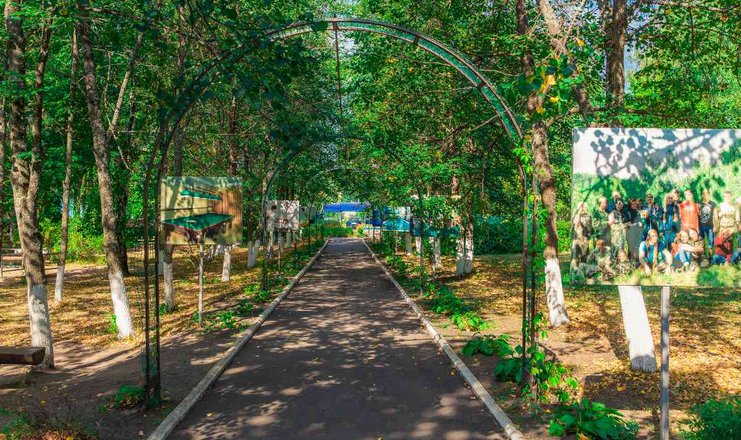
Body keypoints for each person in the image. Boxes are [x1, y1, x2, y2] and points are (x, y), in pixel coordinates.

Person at [698, 190, 717, 256]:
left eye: (707, 194)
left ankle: (711, 257)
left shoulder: (713, 204)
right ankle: (702, 256)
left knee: (711, 242)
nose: (705, 195)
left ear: (709, 194)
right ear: (702, 195)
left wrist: (715, 226)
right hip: (700, 226)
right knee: (701, 241)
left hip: (710, 226)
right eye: (703, 194)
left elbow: (715, 216)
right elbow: (697, 215)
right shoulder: (699, 204)